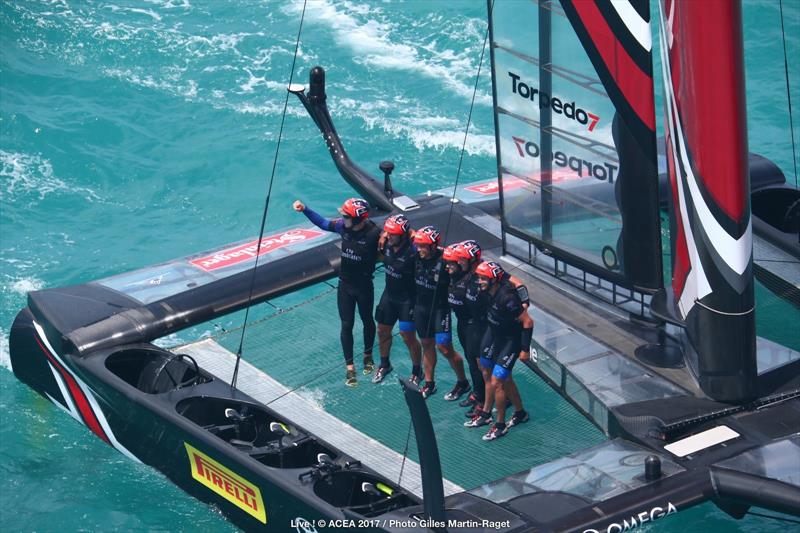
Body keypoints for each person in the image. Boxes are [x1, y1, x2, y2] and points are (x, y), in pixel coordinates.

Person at [293, 198, 381, 387]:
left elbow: (394, 245)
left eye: (347, 216)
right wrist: (305, 209)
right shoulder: (344, 227)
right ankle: (350, 367)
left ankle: (367, 354)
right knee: (346, 324)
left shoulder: (375, 234)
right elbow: (324, 223)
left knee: (367, 320)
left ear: (359, 219)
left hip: (364, 285)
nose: (343, 218)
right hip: (345, 285)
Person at [465, 260, 533, 441]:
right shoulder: (486, 290)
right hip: (494, 334)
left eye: (483, 278)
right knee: (488, 370)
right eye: (479, 277)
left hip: (510, 341)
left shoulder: (507, 298)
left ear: (494, 280)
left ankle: (500, 425)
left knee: (498, 381)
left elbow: (527, 322)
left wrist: (524, 350)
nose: (479, 281)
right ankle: (514, 412)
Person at [412, 226, 469, 399]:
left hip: (440, 310)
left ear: (433, 245)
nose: (419, 249)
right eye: (418, 245)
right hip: (421, 309)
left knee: (444, 348)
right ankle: (429, 383)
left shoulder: (445, 260)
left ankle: (463, 382)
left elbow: (467, 264)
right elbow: (407, 234)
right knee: (426, 345)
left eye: (423, 246)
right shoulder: (415, 255)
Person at [373, 214, 422, 383]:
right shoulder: (386, 242)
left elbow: (429, 246)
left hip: (408, 299)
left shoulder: (413, 249)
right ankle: (385, 364)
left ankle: (417, 371)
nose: (390, 235)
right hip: (389, 295)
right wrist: (385, 234)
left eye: (393, 233)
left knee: (407, 335)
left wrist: (412, 233)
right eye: (389, 233)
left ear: (403, 235)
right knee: (382, 330)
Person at [443, 240, 487, 409]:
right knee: (471, 361)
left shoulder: (477, 276)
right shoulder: (457, 273)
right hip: (463, 324)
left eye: (460, 259)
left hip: (476, 325)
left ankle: (485, 398)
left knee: (479, 364)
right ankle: (478, 393)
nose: (456, 263)